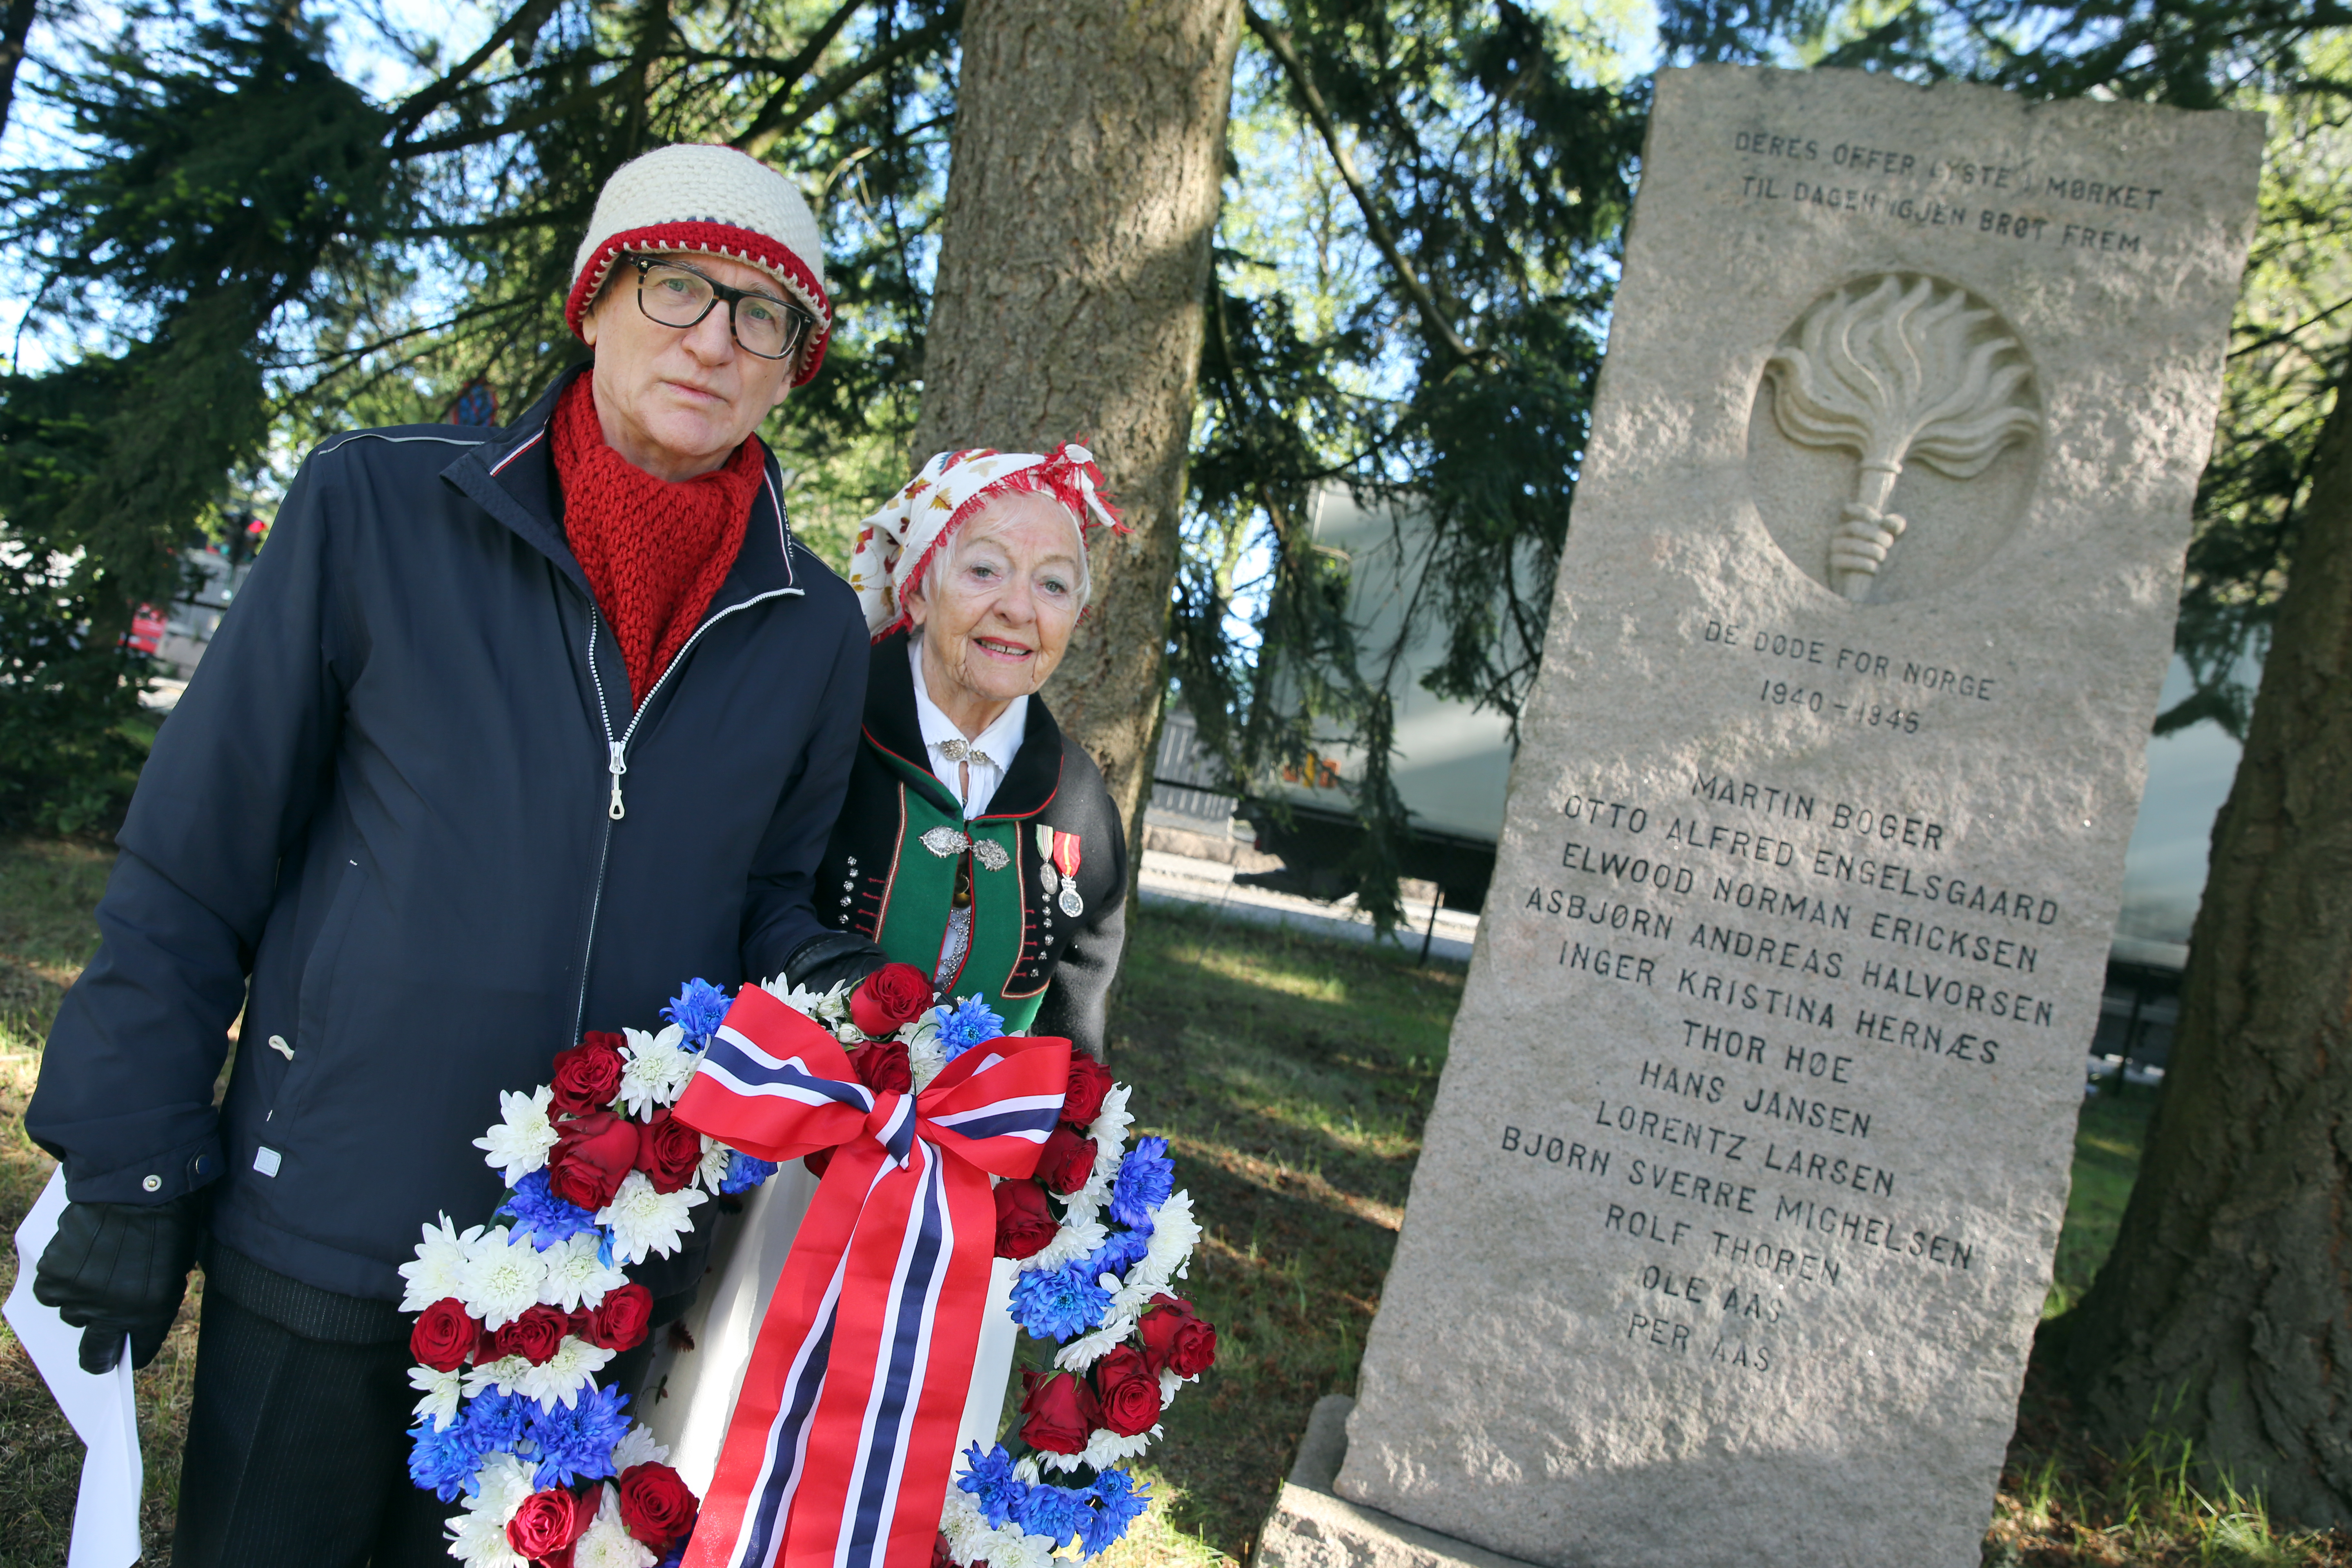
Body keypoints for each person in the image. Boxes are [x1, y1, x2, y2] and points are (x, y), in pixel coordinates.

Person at [24, 143, 872, 1567]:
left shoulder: (813, 626)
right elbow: (198, 854)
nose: (715, 339)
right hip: (331, 1215)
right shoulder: (378, 508)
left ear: (793, 366)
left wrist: (846, 985)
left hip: (590, 1265)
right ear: (595, 302)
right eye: (678, 287)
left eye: (764, 313)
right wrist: (127, 1155)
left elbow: (767, 898)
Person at [637, 444, 1130, 1488]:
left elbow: (1077, 1019)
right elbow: (734, 896)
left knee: (896, 1485)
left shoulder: (1081, 801)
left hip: (961, 1209)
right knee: (726, 1446)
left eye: (1053, 585)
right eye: (985, 569)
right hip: (776, 1170)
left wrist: (1054, 1176)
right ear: (918, 581)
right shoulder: (823, 721)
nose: (1018, 608)